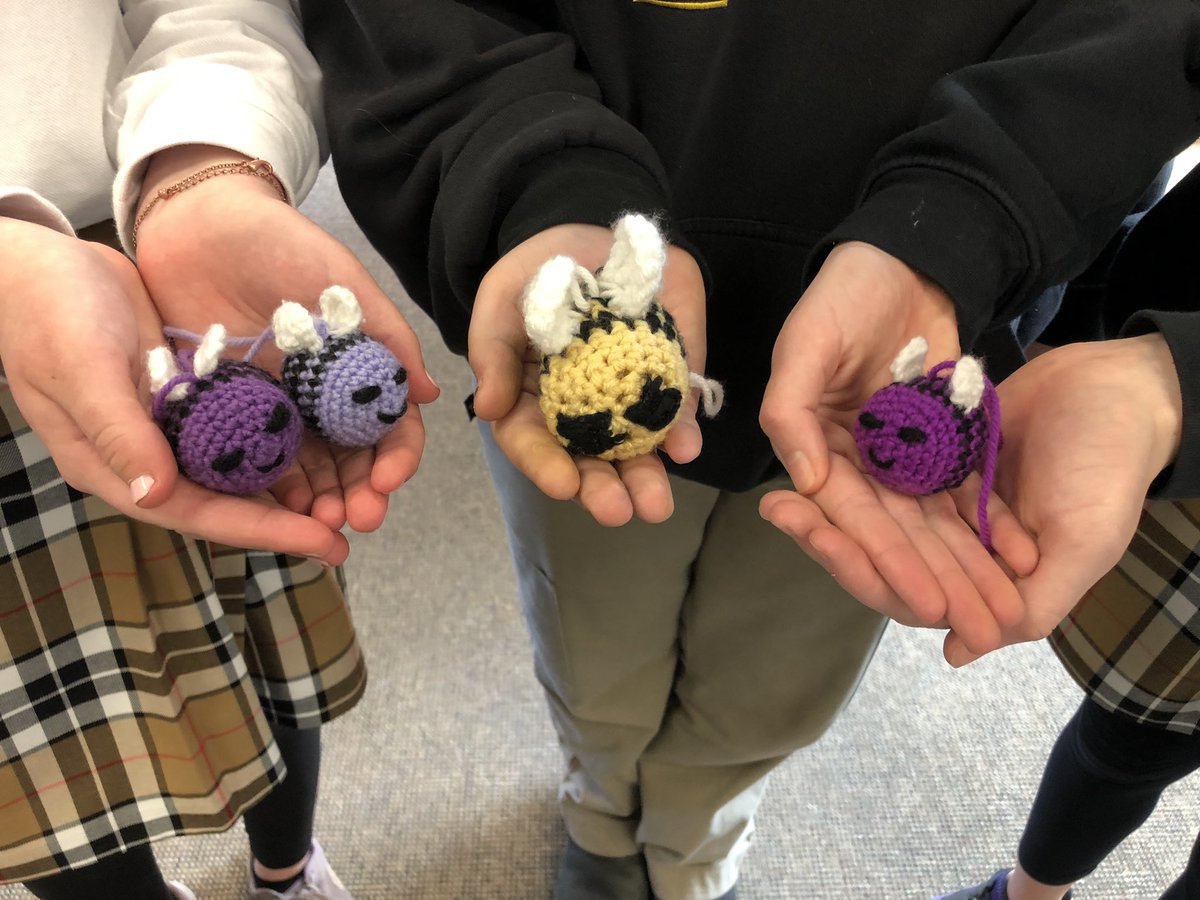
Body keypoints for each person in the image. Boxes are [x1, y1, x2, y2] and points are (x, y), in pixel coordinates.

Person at [298, 3, 1200, 898]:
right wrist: (540, 183)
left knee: (775, 688)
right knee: (593, 649)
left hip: (915, 350)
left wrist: (956, 226)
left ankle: (693, 845)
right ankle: (601, 816)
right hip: (582, 314)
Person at [0, 2, 436, 898]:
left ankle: (287, 869)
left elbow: (210, 11)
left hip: (167, 281)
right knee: (53, 758)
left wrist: (201, 166)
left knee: (268, 647)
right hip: (83, 319)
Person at [925, 161, 1200, 899]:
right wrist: (1159, 371)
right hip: (1168, 441)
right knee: (1126, 741)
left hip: (1162, 390)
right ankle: (1028, 895)